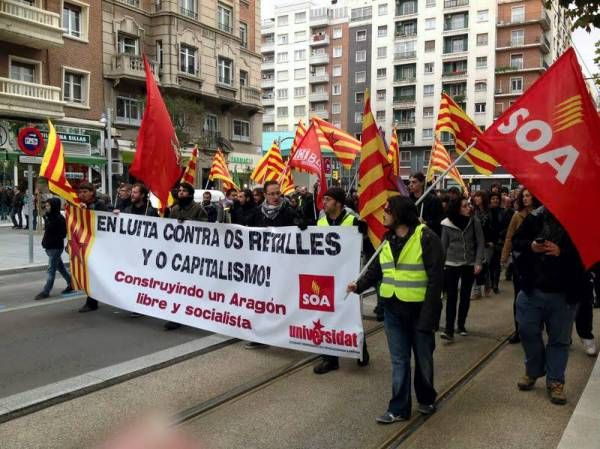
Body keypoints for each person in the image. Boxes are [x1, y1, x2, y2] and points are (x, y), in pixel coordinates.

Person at [347, 196, 444, 423]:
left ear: (399, 214)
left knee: (423, 359)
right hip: (393, 310)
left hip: (420, 310)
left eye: (388, 210)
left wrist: (430, 318)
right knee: (399, 361)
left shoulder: (427, 238)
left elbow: (436, 281)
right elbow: (377, 270)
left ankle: (427, 398)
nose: (384, 214)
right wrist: (359, 285)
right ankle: (399, 408)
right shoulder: (387, 239)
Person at [512, 206, 586, 405]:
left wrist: (562, 251)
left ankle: (555, 382)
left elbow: (587, 255)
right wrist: (531, 246)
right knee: (526, 331)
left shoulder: (580, 219)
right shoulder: (535, 217)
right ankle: (534, 369)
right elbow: (516, 242)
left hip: (564, 293)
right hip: (532, 289)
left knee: (559, 340)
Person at [313, 187, 370, 374]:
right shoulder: (320, 222)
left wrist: (365, 233)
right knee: (327, 316)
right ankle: (330, 359)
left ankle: (361, 349)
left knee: (351, 315)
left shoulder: (353, 221)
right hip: (325, 277)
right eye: (324, 199)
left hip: (348, 278)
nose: (324, 203)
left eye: (328, 199)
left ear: (338, 202)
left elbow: (368, 248)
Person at [246, 180, 304, 348]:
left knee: (283, 301)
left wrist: (302, 224)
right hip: (262, 267)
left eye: (278, 193)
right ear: (265, 195)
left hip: (284, 266)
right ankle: (261, 336)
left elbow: (305, 228)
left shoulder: (289, 211)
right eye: (271, 194)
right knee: (262, 302)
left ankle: (286, 334)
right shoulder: (257, 212)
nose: (275, 197)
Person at [164, 182, 209, 330]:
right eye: (180, 191)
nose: (180, 193)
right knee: (176, 286)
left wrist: (190, 223)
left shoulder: (198, 209)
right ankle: (175, 316)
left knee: (189, 287)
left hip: (192, 255)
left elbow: (206, 228)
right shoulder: (175, 209)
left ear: (190, 194)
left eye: (183, 191)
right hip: (176, 253)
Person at [440, 197, 484, 341]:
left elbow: (480, 242)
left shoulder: (474, 221)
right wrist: (441, 266)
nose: (468, 208)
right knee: (451, 297)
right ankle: (449, 329)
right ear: (457, 209)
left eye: (468, 205)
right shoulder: (447, 224)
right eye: (464, 206)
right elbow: (443, 245)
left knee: (465, 296)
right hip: (451, 264)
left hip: (469, 264)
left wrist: (478, 262)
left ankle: (461, 325)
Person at [501, 188, 539, 344]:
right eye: (523, 196)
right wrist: (504, 256)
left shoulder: (540, 215)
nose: (525, 199)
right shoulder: (517, 216)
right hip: (520, 261)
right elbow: (510, 237)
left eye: (528, 196)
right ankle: (518, 330)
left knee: (537, 296)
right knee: (519, 297)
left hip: (537, 262)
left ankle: (537, 327)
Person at [77, 181, 107, 312]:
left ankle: (92, 301)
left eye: (85, 192)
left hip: (98, 244)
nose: (82, 194)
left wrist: (87, 211)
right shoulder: (79, 205)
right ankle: (91, 300)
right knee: (90, 273)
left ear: (92, 192)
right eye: (80, 192)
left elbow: (103, 220)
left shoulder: (99, 204)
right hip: (86, 243)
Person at [34, 198, 74, 300]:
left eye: (49, 206)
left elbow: (63, 234)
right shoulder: (49, 217)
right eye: (46, 205)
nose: (47, 207)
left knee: (51, 270)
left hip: (55, 248)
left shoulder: (59, 219)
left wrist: (52, 233)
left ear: (54, 206)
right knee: (60, 267)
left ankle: (46, 291)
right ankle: (71, 283)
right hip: (49, 247)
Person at [408, 172, 444, 236]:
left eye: (414, 182)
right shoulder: (408, 200)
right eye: (410, 182)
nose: (410, 185)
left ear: (422, 183)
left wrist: (426, 223)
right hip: (412, 236)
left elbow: (440, 220)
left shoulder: (433, 200)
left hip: (428, 236)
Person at [471, 190, 492, 299]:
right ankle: (476, 291)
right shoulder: (473, 212)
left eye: (478, 196)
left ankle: (487, 286)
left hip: (487, 243)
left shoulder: (489, 212)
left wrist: (492, 240)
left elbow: (493, 227)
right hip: (475, 243)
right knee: (476, 266)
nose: (476, 198)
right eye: (475, 197)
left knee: (485, 267)